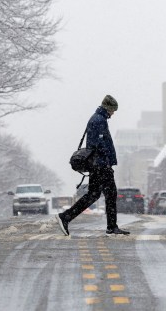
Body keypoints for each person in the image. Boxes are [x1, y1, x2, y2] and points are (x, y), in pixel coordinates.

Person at [56, 95, 130, 236]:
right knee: (109, 194)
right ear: (108, 108)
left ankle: (66, 217)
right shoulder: (99, 120)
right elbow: (98, 144)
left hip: (98, 164)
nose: (113, 114)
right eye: (113, 110)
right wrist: (106, 161)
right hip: (101, 165)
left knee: (94, 195)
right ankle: (111, 227)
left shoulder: (97, 118)